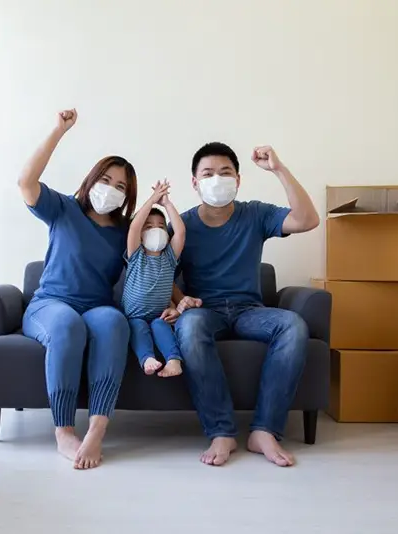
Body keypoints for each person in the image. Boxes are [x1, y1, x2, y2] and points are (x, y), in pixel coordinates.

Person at [170, 142, 320, 468]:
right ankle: (221, 431)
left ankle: (265, 430)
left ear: (238, 180)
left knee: (293, 325)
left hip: (249, 311)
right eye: (208, 174)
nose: (217, 180)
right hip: (204, 310)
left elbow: (307, 219)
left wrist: (278, 168)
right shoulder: (181, 225)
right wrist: (182, 302)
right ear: (194, 183)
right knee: (190, 326)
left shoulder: (255, 214)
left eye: (225, 173)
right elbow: (158, 272)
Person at [18, 108, 137, 470]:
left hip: (97, 306)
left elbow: (157, 262)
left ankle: (97, 429)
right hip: (51, 305)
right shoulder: (64, 209)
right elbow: (26, 182)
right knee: (67, 325)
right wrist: (58, 130)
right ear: (91, 180)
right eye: (106, 180)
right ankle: (64, 432)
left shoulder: (124, 231)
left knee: (115, 323)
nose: (111, 190)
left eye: (121, 187)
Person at [120, 180, 186, 378]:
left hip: (160, 316)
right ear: (141, 235)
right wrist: (152, 199)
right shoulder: (135, 255)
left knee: (160, 326)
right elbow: (134, 227)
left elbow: (180, 231)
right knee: (138, 328)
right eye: (149, 226)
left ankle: (174, 360)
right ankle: (148, 359)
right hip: (134, 316)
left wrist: (166, 203)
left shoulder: (169, 257)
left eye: (160, 226)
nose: (155, 230)